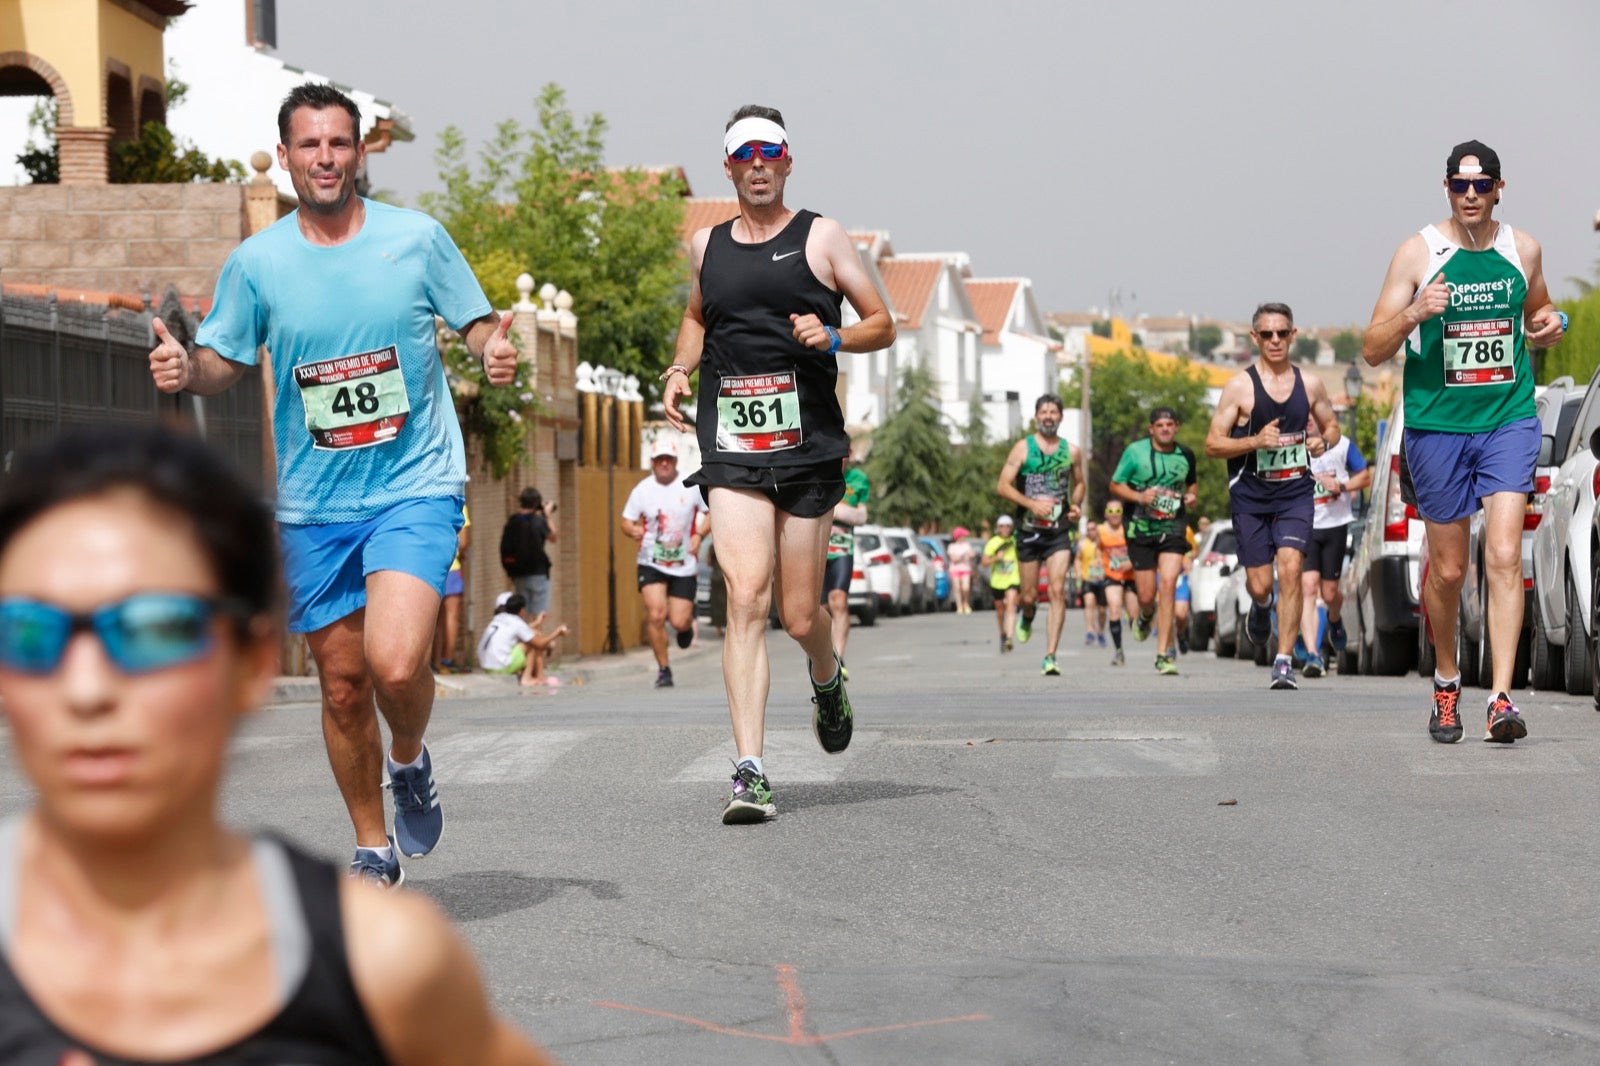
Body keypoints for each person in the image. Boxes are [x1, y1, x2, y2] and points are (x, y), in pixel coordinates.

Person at [0, 425, 553, 1064]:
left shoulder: (385, 964)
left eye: (152, 631)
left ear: (252, 663)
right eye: (31, 633)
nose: (88, 688)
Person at [147, 83, 521, 883]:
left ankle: (411, 758)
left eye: (339, 143)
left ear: (361, 153)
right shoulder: (258, 263)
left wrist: (493, 348)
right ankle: (372, 844)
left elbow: (480, 324)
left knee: (392, 663)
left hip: (413, 484)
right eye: (309, 145)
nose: (325, 158)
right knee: (345, 685)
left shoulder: (417, 240)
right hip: (315, 504)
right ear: (284, 158)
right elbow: (224, 361)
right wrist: (186, 371)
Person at [662, 105, 896, 824]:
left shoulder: (822, 236)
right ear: (727, 166)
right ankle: (751, 771)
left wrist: (832, 336)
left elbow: (883, 323)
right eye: (745, 154)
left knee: (799, 615)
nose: (758, 163)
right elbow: (700, 314)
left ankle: (827, 677)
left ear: (788, 161)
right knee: (746, 598)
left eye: (771, 151)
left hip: (808, 446)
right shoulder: (706, 245)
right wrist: (678, 367)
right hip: (732, 444)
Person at [1363, 139, 1566, 743]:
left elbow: (1542, 308)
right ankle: (1448, 682)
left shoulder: (1521, 248)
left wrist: (1552, 324)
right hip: (1437, 428)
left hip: (1508, 420)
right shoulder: (1418, 252)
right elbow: (1372, 349)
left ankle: (1501, 698)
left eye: (1481, 186)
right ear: (1447, 188)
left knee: (1504, 556)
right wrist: (1415, 312)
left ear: (1499, 188)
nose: (1471, 196)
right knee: (1449, 571)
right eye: (1460, 185)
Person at [1205, 303, 1341, 690]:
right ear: (1255, 338)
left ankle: (1284, 661)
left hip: (1295, 492)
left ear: (1293, 335)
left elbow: (1332, 425)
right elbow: (1213, 444)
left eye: (1282, 333)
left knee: (1293, 567)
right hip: (1250, 496)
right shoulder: (1240, 387)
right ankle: (1261, 607)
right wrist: (1253, 440)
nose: (1276, 340)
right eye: (1267, 334)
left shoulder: (1310, 383)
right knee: (1261, 584)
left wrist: (1321, 440)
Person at [996, 394, 1086, 677]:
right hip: (1028, 530)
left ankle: (1050, 655)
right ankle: (1028, 614)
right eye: (1044, 412)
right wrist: (1031, 504)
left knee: (1058, 590)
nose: (1048, 416)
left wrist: (1076, 507)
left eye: (1053, 412)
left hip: (1059, 530)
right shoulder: (1023, 448)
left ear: (1060, 417)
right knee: (1029, 594)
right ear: (1037, 416)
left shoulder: (1072, 451)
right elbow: (1003, 486)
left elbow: (1080, 484)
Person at [1110, 407, 1199, 676]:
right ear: (1151, 429)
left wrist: (1191, 497)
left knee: (1169, 584)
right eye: (1159, 425)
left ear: (1177, 427)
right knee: (1147, 596)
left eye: (1170, 424)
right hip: (1141, 528)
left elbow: (1192, 484)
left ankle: (1164, 653)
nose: (1165, 429)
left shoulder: (1185, 455)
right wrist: (1139, 497)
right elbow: (1115, 485)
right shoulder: (1134, 452)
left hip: (1173, 526)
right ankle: (1145, 615)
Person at [620, 438, 707, 689]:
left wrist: (699, 535)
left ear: (676, 461)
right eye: (660, 460)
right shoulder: (642, 490)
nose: (664, 463)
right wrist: (632, 530)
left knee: (679, 621)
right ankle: (664, 669)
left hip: (684, 562)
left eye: (668, 459)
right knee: (656, 614)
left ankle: (684, 629)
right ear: (653, 463)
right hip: (652, 561)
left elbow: (711, 513)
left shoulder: (690, 485)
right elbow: (626, 520)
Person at [1300, 417, 1372, 677]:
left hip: (1335, 525)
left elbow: (1365, 476)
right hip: (1305, 526)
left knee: (1329, 594)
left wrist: (1340, 486)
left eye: (1312, 418)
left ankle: (1334, 619)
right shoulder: (1296, 447)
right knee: (1308, 588)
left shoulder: (1342, 445)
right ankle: (1312, 654)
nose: (1307, 423)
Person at [823, 456, 871, 678]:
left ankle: (839, 658)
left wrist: (832, 509)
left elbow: (861, 517)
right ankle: (823, 658)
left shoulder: (857, 479)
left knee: (839, 601)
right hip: (816, 552)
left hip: (842, 551)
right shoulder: (818, 472)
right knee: (820, 609)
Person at [476, 591, 567, 688]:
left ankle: (537, 675)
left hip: (486, 665)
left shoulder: (498, 618)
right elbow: (539, 643)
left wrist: (537, 623)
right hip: (500, 666)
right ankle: (529, 678)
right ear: (521, 610)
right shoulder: (516, 622)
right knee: (532, 643)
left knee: (530, 637)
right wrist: (557, 633)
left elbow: (521, 631)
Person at [500, 487, 557, 617]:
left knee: (522, 613)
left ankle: (524, 635)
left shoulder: (513, 521)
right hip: (538, 574)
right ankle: (536, 637)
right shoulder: (539, 521)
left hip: (518, 574)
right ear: (537, 503)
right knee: (538, 616)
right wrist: (548, 516)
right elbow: (553, 537)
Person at [1098, 503, 1138, 665]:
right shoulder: (1101, 531)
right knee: (1114, 609)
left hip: (1130, 576)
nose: (1114, 514)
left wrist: (1132, 562)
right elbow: (1096, 550)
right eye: (1110, 511)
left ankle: (1137, 623)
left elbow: (1138, 549)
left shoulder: (1128, 528)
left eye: (1118, 511)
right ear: (1106, 514)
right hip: (1111, 575)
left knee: (1134, 615)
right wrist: (1097, 562)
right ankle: (1119, 651)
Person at [432, 501, 470, 673]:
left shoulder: (430, 505)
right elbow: (463, 543)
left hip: (431, 568)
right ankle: (448, 659)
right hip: (452, 568)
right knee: (451, 616)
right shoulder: (458, 505)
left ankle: (434, 660)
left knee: (435, 619)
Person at [983, 515, 1021, 651]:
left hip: (1013, 579)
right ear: (998, 528)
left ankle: (1010, 637)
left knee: (1011, 605)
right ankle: (1003, 634)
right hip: (997, 581)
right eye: (1002, 526)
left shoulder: (1015, 541)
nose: (1005, 529)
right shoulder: (993, 542)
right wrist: (995, 558)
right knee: (1000, 610)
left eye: (1008, 526)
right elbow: (984, 562)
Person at [1077, 521, 1108, 647]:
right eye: (1088, 529)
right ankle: (1090, 630)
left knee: (1101, 610)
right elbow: (1078, 559)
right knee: (1089, 603)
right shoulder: (1082, 544)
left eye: (1093, 529)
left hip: (1102, 579)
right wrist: (1079, 575)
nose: (1091, 531)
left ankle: (1100, 631)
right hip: (1088, 578)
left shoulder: (1104, 542)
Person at [947, 526, 976, 614]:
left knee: (966, 587)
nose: (964, 538)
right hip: (955, 570)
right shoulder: (952, 546)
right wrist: (962, 556)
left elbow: (972, 554)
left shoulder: (967, 545)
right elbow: (953, 559)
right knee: (957, 588)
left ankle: (966, 603)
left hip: (965, 569)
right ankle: (959, 606)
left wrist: (971, 554)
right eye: (963, 536)